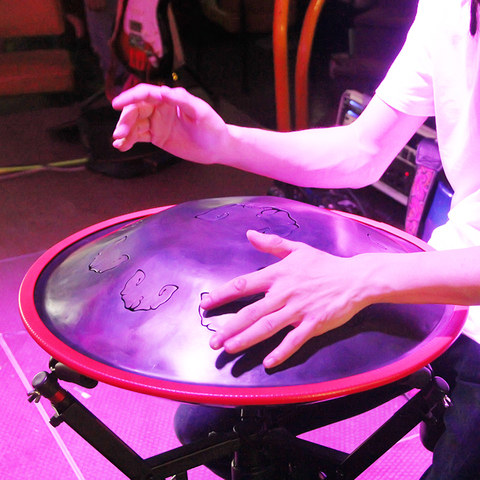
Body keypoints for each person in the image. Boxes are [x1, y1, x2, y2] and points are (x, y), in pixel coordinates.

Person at [111, 0, 480, 478]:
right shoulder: (449, 8)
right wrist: (225, 142)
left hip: (427, 281)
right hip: (444, 287)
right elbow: (363, 149)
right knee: (211, 429)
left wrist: (361, 278)